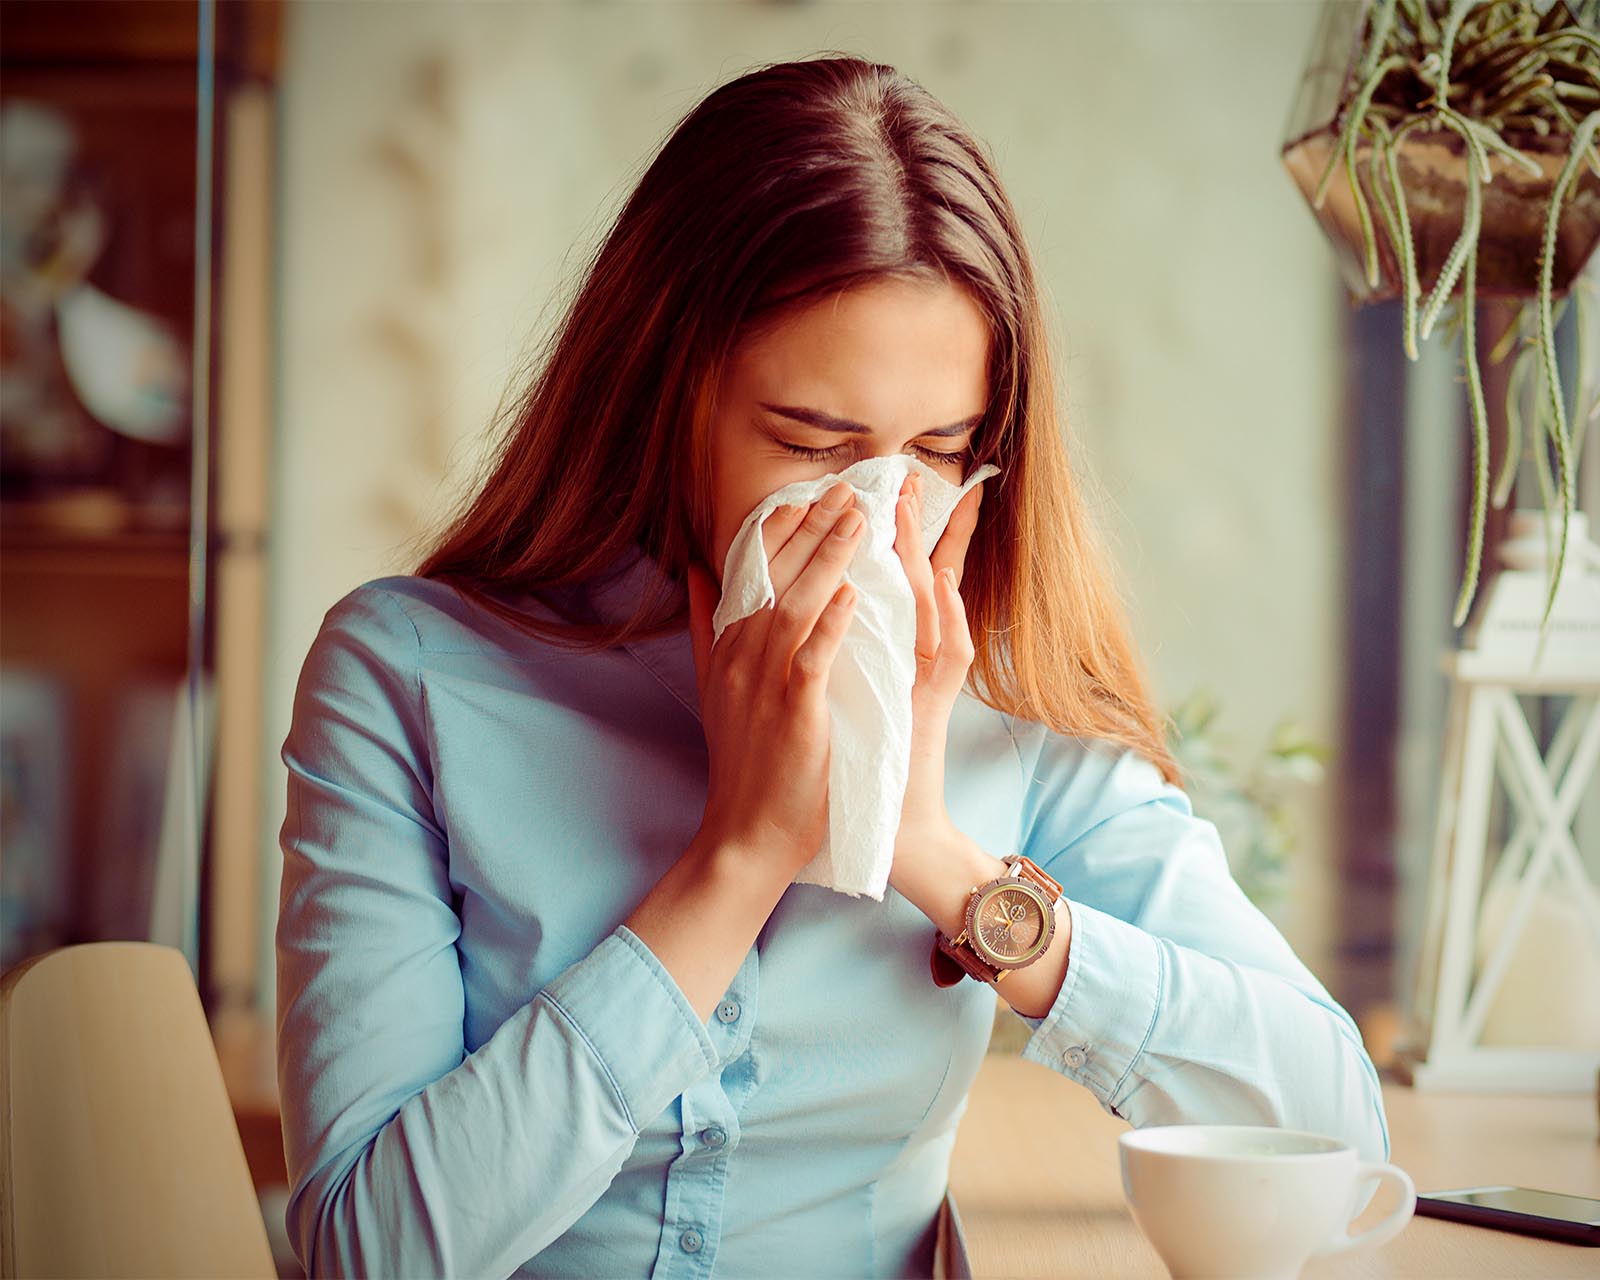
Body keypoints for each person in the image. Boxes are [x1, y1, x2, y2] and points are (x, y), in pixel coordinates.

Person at [274, 52, 1388, 1280]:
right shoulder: (411, 675)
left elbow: (1335, 1122)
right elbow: (364, 1253)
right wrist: (736, 860)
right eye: (812, 444)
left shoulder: (1008, 709)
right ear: (664, 397)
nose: (873, 513)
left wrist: (929, 848)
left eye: (936, 450)